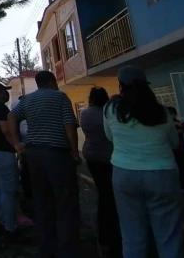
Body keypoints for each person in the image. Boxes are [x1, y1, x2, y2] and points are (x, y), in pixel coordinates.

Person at [104, 66, 182, 258]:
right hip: (162, 173)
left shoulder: (111, 110)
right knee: (168, 235)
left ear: (121, 86)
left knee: (132, 235)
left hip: (124, 173)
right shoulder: (163, 112)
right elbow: (174, 142)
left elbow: (110, 137)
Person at [7, 70, 80, 258]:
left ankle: (46, 248)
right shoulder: (60, 97)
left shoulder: (27, 100)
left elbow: (11, 117)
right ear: (52, 81)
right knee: (64, 202)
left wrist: (17, 144)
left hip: (33, 155)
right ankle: (67, 249)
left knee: (42, 201)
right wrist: (74, 151)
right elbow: (69, 125)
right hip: (57, 153)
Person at [81, 87, 121, 258]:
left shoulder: (85, 113)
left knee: (103, 191)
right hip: (108, 157)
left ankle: (104, 232)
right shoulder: (108, 113)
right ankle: (111, 231)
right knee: (110, 194)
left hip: (91, 155)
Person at [0, 82, 27, 243]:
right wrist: (16, 145)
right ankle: (11, 228)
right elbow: (6, 131)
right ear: (0, 93)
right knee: (8, 192)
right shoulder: (1, 108)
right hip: (3, 153)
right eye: (5, 91)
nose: (7, 94)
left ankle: (3, 223)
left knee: (1, 191)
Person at [167, 106, 184, 191]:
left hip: (179, 149)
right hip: (171, 150)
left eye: (171, 114)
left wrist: (180, 126)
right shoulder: (165, 125)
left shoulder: (178, 123)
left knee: (182, 168)